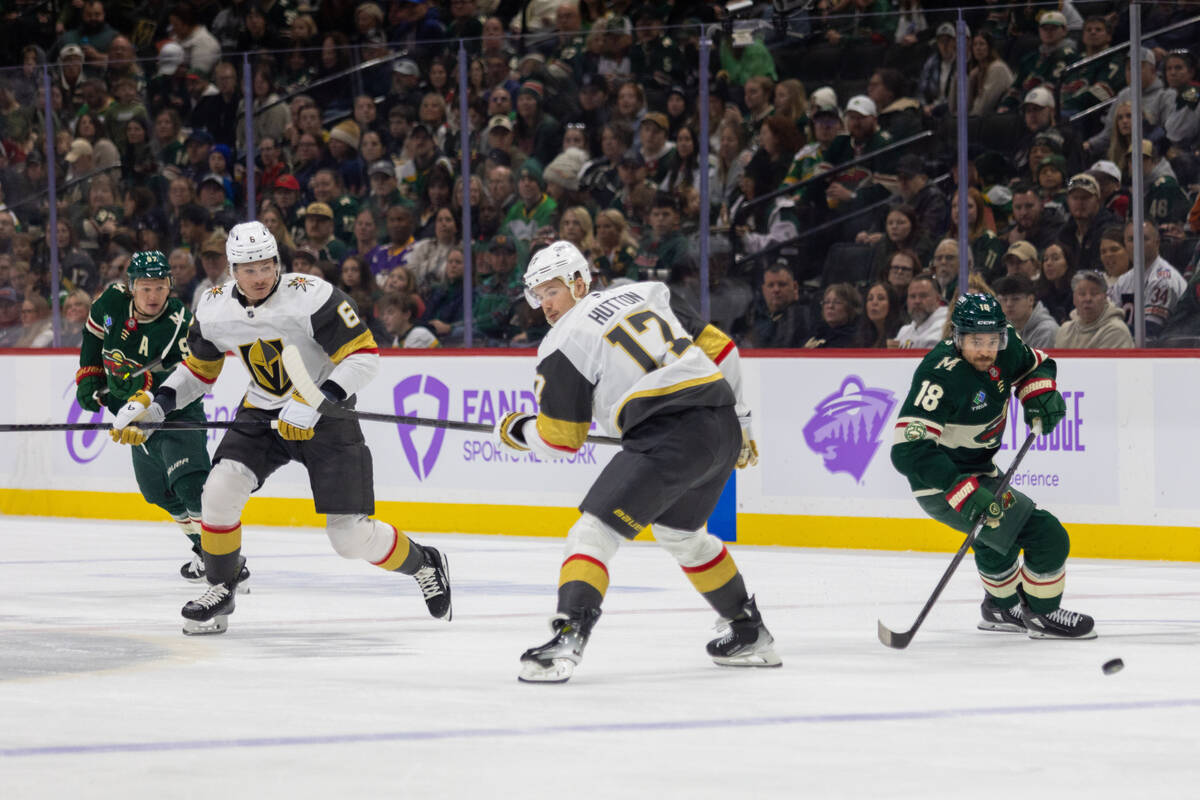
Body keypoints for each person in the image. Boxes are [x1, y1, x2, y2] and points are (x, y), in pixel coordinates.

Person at [111, 223, 452, 634]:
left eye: (267, 266)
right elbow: (200, 371)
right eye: (249, 269)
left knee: (348, 537)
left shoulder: (312, 297)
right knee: (218, 491)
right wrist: (157, 407)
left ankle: (425, 562)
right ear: (232, 271)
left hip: (327, 415)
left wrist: (314, 401)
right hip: (261, 413)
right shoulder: (215, 306)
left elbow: (364, 358)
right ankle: (221, 589)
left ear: (278, 263)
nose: (259, 277)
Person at [495, 241, 778, 683]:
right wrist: (742, 422)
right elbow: (722, 350)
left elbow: (563, 439)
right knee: (680, 533)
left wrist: (518, 432)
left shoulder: (564, 340)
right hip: (719, 425)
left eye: (551, 290)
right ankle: (749, 632)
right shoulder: (648, 293)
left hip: (669, 432)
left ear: (579, 282)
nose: (545, 305)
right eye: (537, 295)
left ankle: (568, 636)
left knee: (592, 531)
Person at [891, 293, 1096, 639]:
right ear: (957, 337)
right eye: (975, 341)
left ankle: (1000, 607)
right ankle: (1042, 614)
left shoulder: (1006, 346)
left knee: (992, 538)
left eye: (992, 340)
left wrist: (1038, 393)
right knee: (1047, 536)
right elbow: (908, 451)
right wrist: (962, 490)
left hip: (980, 470)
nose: (986, 350)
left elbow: (1036, 364)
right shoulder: (939, 375)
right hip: (940, 483)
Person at [75, 251, 229, 585]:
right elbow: (93, 338)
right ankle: (206, 550)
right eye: (145, 287)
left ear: (169, 287)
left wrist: (146, 403)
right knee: (157, 491)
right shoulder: (110, 304)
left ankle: (225, 561)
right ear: (131, 287)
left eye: (160, 287)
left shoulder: (179, 323)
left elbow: (187, 378)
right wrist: (90, 378)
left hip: (176, 410)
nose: (152, 295)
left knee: (190, 483)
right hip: (126, 408)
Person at [1054, 270, 1134, 348]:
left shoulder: (1116, 331)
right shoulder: (1064, 331)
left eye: (1094, 293)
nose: (1088, 299)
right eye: (1082, 294)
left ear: (1105, 298)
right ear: (1074, 299)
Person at [993, 274, 1060, 348]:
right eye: (1004, 299)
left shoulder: (1046, 331)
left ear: (1031, 300)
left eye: (1015, 299)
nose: (1008, 304)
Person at [896, 274, 948, 349]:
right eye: (912, 296)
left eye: (923, 296)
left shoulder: (945, 328)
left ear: (937, 299)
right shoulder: (904, 331)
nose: (917, 301)